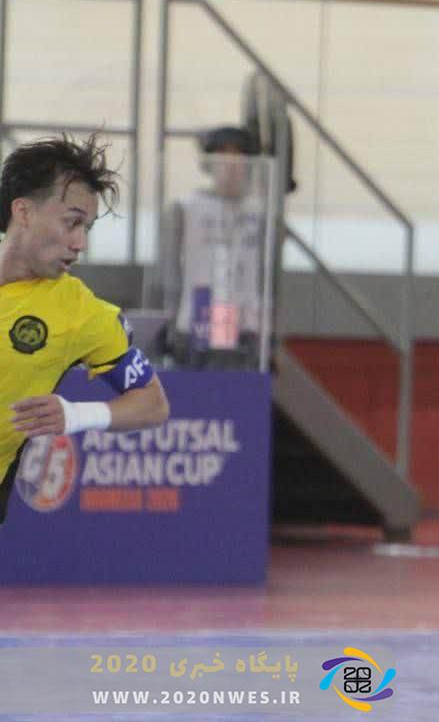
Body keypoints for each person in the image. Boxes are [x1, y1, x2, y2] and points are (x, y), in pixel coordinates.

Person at [0, 135, 170, 525]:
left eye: (87, 227)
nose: (81, 243)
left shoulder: (81, 313)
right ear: (23, 211)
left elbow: (154, 404)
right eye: (72, 222)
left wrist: (76, 415)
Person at [154, 125, 267, 370]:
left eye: (239, 155)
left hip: (245, 324)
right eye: (223, 153)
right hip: (195, 318)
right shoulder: (187, 207)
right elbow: (170, 271)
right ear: (209, 161)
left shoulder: (260, 213)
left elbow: (266, 276)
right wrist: (169, 322)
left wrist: (270, 334)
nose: (231, 163)